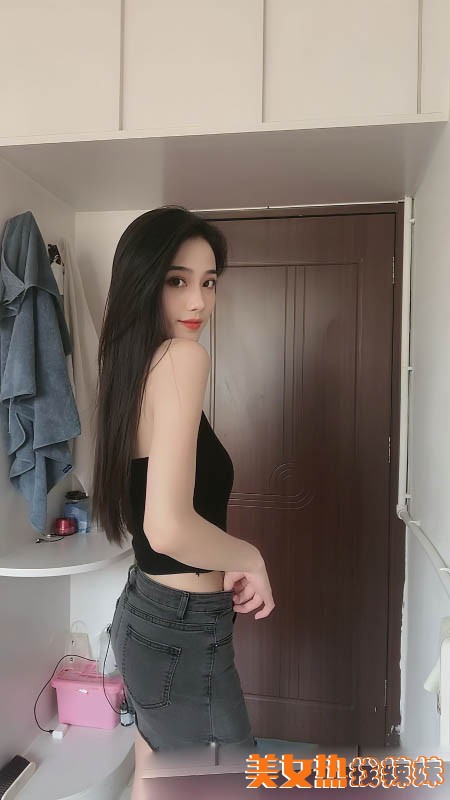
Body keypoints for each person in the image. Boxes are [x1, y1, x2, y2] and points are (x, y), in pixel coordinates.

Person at [91, 205, 275, 798]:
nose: (198, 302)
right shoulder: (181, 359)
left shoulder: (132, 367)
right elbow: (167, 527)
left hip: (146, 616)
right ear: (144, 283)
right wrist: (249, 557)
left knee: (154, 768)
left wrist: (224, 560)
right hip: (181, 634)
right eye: (177, 281)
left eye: (209, 282)